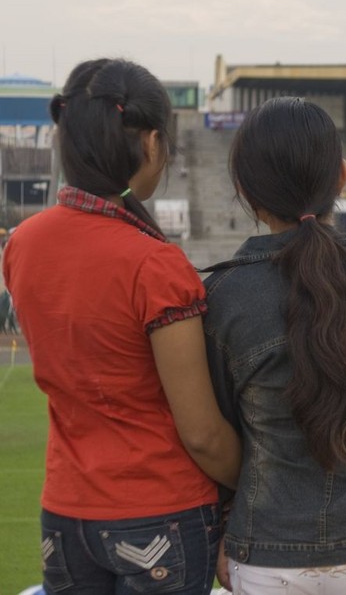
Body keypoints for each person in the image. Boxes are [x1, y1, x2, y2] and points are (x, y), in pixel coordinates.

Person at [1, 58, 241, 593]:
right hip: (161, 513)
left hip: (65, 514)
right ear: (152, 143)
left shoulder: (23, 244)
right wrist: (255, 484)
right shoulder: (154, 265)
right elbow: (201, 434)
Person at [203, 98, 346, 592]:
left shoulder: (225, 297)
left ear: (245, 190)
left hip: (269, 552)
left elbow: (220, 428)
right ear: (342, 176)